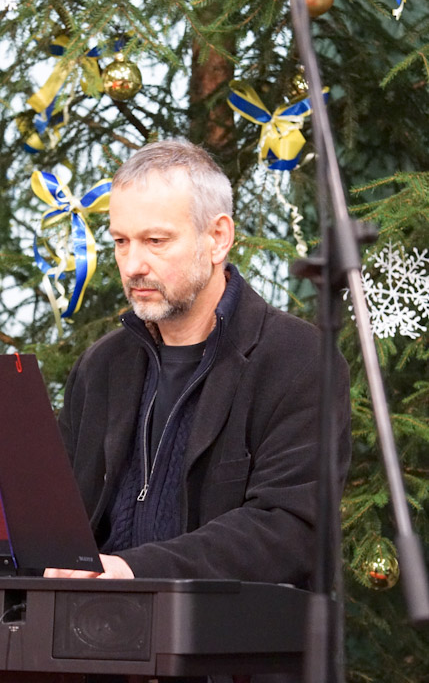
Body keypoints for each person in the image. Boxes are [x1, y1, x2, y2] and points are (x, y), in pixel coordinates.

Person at [45, 138, 351, 586]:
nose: (132, 265)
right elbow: (54, 514)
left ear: (217, 238)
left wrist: (135, 569)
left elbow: (290, 528)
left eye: (155, 241)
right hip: (89, 623)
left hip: (225, 628)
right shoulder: (100, 366)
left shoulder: (298, 359)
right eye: (121, 242)